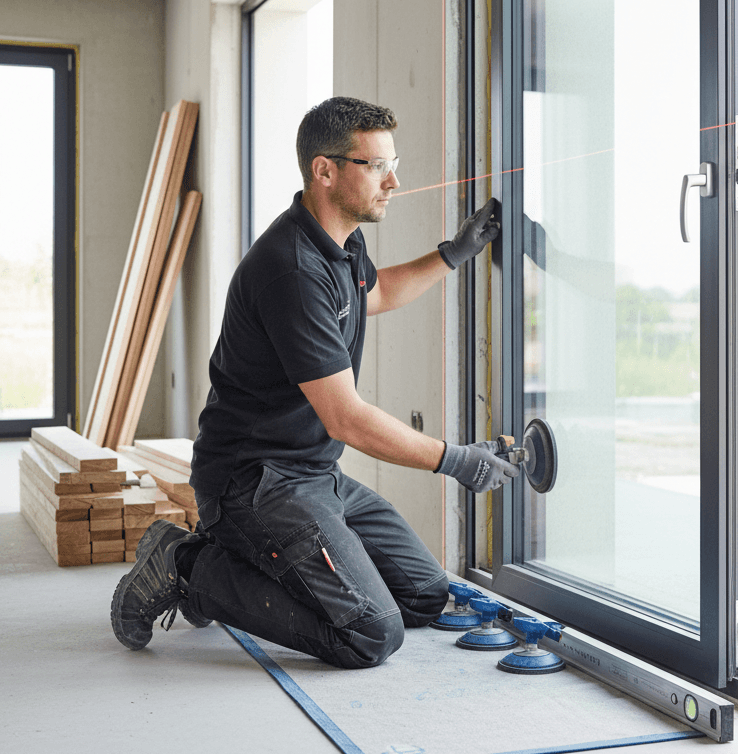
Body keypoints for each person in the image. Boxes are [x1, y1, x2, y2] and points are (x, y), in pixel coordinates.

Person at [110, 96, 518, 667]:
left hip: (312, 474)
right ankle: (185, 564)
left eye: (391, 163)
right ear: (324, 170)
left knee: (423, 596)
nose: (393, 180)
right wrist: (455, 460)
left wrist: (453, 254)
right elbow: (346, 418)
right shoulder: (292, 269)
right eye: (375, 165)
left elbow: (373, 295)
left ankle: (251, 559)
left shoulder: (341, 244)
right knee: (371, 634)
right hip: (253, 483)